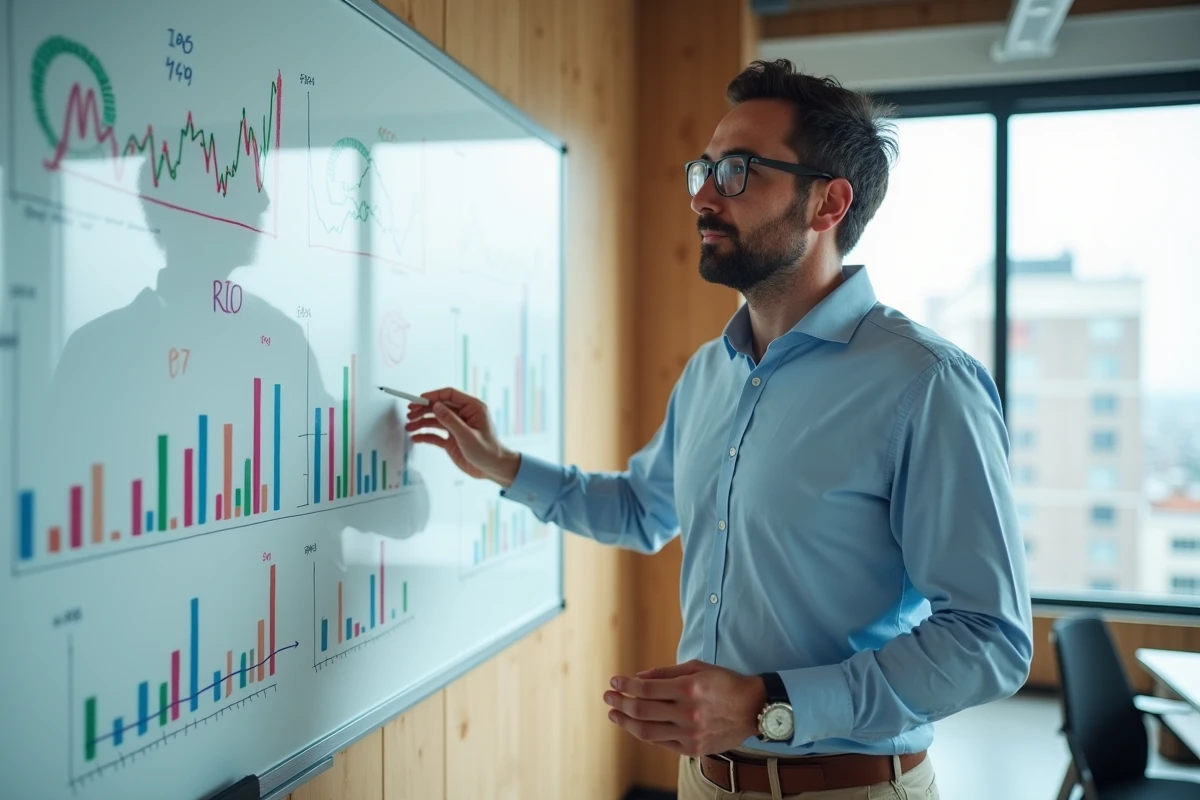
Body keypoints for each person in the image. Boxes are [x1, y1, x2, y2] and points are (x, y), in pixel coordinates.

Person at [406, 59, 1031, 800]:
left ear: (828, 203)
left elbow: (989, 642)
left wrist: (769, 706)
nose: (703, 194)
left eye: (737, 171)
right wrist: (503, 465)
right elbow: (643, 511)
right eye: (704, 167)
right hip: (702, 781)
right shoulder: (712, 370)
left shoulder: (925, 382)